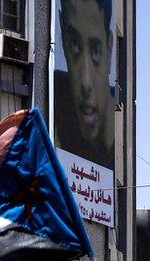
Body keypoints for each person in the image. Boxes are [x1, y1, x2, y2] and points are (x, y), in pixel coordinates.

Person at [55, 0, 115, 168]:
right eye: (74, 44)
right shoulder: (55, 98)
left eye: (96, 51)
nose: (85, 82)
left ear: (109, 49)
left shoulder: (119, 150)